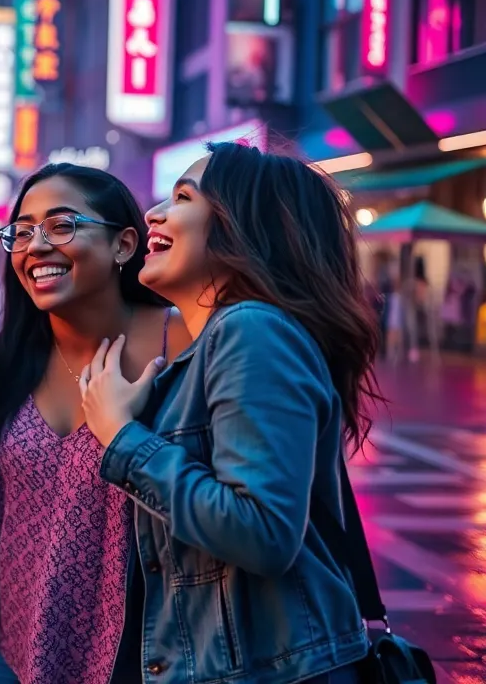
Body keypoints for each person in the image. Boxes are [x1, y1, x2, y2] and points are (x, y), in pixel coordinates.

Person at [81, 142, 378, 684]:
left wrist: (121, 437)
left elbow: (263, 531)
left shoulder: (251, 331)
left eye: (183, 197)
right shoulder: (218, 345)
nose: (154, 213)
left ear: (241, 227)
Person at [0, 164, 188, 684]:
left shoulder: (182, 343)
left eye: (62, 225)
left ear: (123, 244)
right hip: (25, 645)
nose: (36, 246)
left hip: (150, 651)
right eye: (22, 232)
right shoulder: (5, 360)